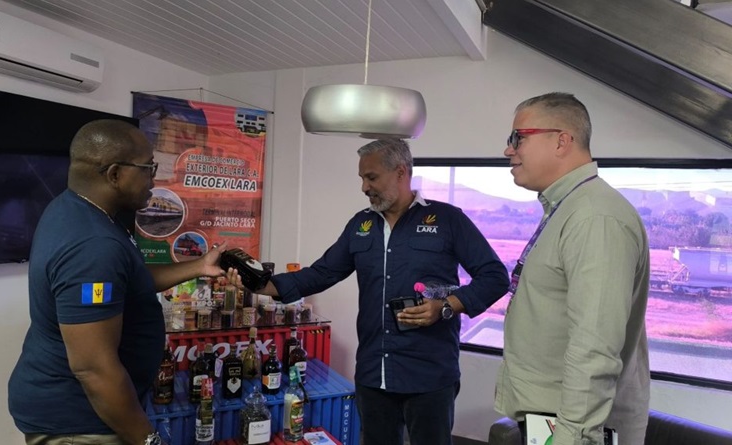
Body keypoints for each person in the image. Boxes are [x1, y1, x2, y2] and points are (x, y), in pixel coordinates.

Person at [255, 138, 509, 445]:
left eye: (371, 177)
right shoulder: (361, 225)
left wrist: (447, 305)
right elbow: (321, 273)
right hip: (374, 373)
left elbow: (495, 277)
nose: (364, 187)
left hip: (429, 375)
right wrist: (260, 284)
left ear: (400, 172)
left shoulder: (448, 220)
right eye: (362, 178)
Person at [8, 119, 240, 445]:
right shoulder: (92, 246)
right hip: (80, 424)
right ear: (115, 174)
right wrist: (148, 440)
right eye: (148, 168)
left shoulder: (78, 209)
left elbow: (130, 280)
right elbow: (94, 369)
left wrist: (200, 266)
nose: (154, 179)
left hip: (86, 412)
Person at [495, 92, 650, 444]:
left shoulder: (595, 217)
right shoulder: (568, 208)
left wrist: (572, 436)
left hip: (570, 428)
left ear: (562, 141)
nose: (508, 150)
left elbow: (595, 347)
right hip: (551, 422)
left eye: (518, 138)